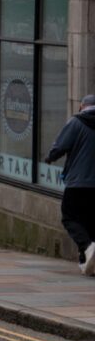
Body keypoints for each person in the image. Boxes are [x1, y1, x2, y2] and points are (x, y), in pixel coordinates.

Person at [46, 94, 95, 274]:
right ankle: (87, 263)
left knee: (69, 216)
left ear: (82, 106)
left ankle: (88, 248)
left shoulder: (77, 122)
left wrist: (50, 157)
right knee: (90, 221)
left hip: (78, 182)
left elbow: (59, 147)